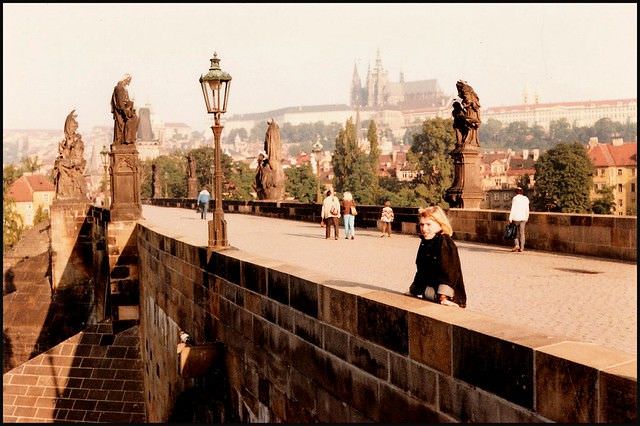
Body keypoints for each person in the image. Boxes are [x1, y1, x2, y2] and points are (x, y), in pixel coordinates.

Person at [408, 206, 467, 308]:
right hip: (432, 294)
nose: (424, 228)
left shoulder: (445, 243)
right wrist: (414, 290)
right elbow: (421, 270)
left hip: (449, 297)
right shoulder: (426, 242)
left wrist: (444, 297)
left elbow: (449, 273)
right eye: (422, 224)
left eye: (428, 224)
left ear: (440, 224)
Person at [111, 73, 138, 145]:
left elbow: (124, 101)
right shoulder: (119, 88)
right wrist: (126, 113)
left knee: (135, 118)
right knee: (133, 119)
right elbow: (120, 103)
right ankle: (127, 140)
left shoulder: (122, 88)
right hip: (121, 112)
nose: (129, 83)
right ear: (125, 80)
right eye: (128, 81)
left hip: (124, 110)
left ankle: (129, 139)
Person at [508, 187, 530, 252]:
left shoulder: (515, 198)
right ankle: (522, 248)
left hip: (516, 217)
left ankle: (517, 245)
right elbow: (527, 209)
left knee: (514, 232)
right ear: (522, 192)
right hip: (523, 218)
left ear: (516, 192)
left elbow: (513, 208)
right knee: (522, 233)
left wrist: (510, 217)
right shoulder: (526, 198)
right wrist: (527, 217)